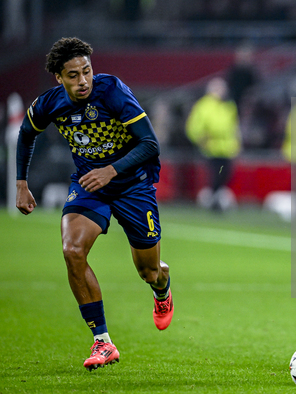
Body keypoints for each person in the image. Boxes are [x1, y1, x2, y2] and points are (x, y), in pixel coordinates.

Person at [15, 37, 174, 371]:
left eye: (86, 71)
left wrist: (112, 169)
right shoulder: (49, 104)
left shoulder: (113, 91)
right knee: (72, 250)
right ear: (59, 77)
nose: (83, 80)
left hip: (134, 184)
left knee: (148, 271)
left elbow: (150, 143)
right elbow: (27, 133)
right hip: (90, 185)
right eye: (73, 75)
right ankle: (103, 341)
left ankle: (162, 288)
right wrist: (21, 183)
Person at [185, 77, 240, 211]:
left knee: (226, 175)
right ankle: (214, 202)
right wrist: (201, 139)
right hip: (211, 147)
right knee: (216, 175)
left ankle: (213, 198)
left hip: (227, 147)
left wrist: (237, 143)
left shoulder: (229, 106)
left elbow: (234, 127)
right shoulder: (203, 106)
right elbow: (193, 127)